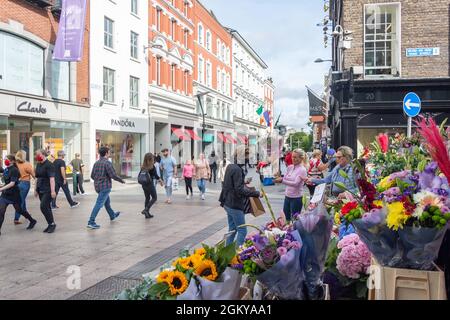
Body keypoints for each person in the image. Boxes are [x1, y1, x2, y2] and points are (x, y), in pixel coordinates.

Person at [219, 145, 261, 246]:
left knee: (232, 229)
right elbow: (239, 190)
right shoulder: (237, 169)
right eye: (248, 157)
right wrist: (256, 193)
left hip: (227, 202)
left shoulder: (231, 166)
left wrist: (243, 181)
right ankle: (238, 254)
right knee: (242, 230)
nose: (248, 159)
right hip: (234, 204)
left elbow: (231, 183)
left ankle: (227, 252)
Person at [87, 146, 125, 229]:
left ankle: (112, 215)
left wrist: (98, 180)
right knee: (99, 204)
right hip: (105, 187)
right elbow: (113, 175)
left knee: (107, 203)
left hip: (97, 187)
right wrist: (121, 180)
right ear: (106, 153)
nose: (109, 153)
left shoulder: (96, 163)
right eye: (109, 152)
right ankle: (91, 221)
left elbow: (92, 176)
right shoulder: (107, 163)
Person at [0, 155, 37, 236]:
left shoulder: (14, 170)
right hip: (5, 195)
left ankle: (32, 220)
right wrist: (2, 186)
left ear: (12, 161)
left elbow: (12, 183)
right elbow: (7, 181)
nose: (5, 160)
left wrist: (1, 189)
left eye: (7, 159)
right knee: (1, 212)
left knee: (20, 210)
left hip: (14, 194)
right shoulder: (6, 169)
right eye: (5, 159)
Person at [274, 149, 308, 222]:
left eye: (296, 157)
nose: (293, 159)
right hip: (287, 196)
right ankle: (287, 233)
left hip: (296, 198)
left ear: (301, 158)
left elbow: (296, 184)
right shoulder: (290, 167)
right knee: (286, 219)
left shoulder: (302, 170)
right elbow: (285, 178)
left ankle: (294, 233)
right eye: (293, 157)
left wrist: (282, 180)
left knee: (295, 220)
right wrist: (279, 177)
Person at [34, 149, 57, 233]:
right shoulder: (38, 164)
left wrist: (53, 191)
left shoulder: (49, 165)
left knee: (43, 206)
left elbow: (52, 179)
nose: (37, 156)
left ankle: (52, 224)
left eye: (38, 155)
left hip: (48, 189)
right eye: (36, 155)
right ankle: (51, 224)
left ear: (43, 155)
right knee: (47, 207)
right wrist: (35, 189)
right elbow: (36, 177)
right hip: (40, 189)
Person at [13, 150, 35, 225]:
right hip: (25, 184)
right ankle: (16, 218)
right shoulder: (27, 164)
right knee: (21, 201)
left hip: (17, 184)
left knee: (22, 199)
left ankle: (26, 215)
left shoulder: (15, 164)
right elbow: (34, 175)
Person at [139, 153, 162, 219]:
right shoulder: (152, 166)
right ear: (151, 159)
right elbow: (156, 175)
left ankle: (147, 214)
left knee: (147, 198)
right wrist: (160, 180)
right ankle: (146, 210)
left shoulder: (143, 166)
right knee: (154, 198)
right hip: (149, 184)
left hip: (144, 184)